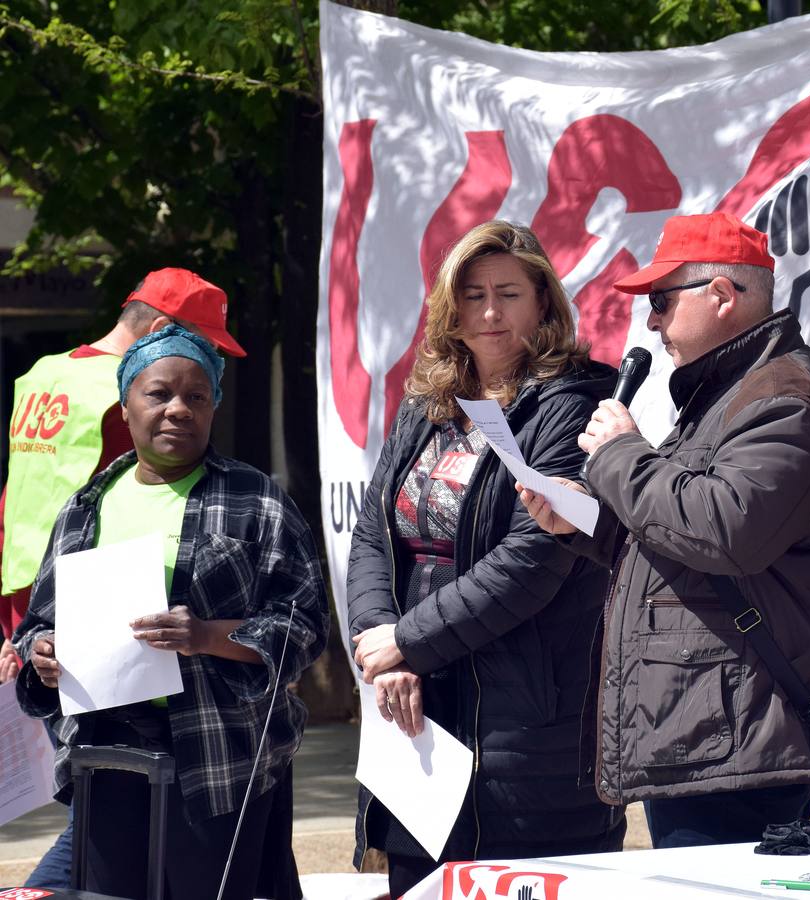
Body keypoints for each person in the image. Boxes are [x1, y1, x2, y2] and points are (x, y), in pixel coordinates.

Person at [518, 211, 810, 848]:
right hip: (710, 726)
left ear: (722, 295)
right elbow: (675, 544)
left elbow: (726, 533)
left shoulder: (783, 398)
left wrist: (620, 456)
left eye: (660, 301)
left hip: (739, 735)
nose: (650, 322)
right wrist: (583, 521)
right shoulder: (730, 392)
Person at [347, 221, 624, 895]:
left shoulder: (575, 400)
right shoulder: (427, 401)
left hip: (525, 726)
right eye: (472, 296)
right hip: (412, 712)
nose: (490, 313)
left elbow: (535, 557)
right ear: (451, 309)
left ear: (543, 303)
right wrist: (381, 653)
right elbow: (371, 540)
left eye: (508, 293)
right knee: (415, 884)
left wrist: (408, 642)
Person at [10, 326, 325, 900]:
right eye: (159, 394)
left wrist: (207, 635)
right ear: (125, 404)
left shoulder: (256, 501)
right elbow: (39, 622)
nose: (178, 409)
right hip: (106, 755)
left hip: (218, 759)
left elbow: (304, 628)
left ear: (213, 408)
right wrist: (43, 654)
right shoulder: (86, 506)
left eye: (196, 397)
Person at [0, 267, 246, 889]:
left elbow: (15, 501)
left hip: (31, 610)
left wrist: (16, 628)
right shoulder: (128, 398)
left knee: (93, 784)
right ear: (163, 331)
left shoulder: (45, 375)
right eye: (205, 341)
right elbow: (141, 511)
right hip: (95, 619)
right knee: (102, 790)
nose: (204, 363)